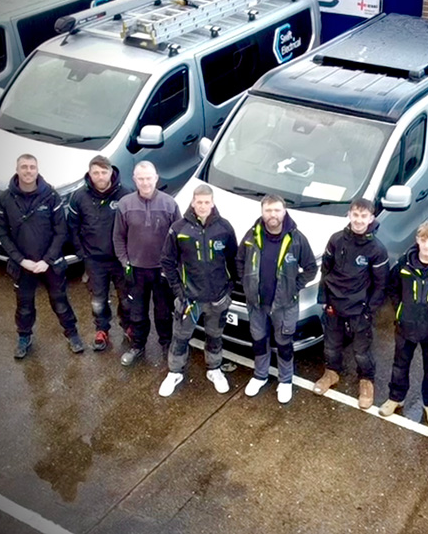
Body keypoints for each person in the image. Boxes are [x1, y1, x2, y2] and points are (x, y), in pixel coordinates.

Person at [0, 154, 84, 358]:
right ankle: (24, 337)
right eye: (24, 167)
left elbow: (61, 231)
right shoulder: (5, 199)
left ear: (37, 169)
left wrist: (47, 260)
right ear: (17, 169)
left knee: (60, 302)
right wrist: (21, 260)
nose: (28, 171)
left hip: (50, 264)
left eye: (32, 167)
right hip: (22, 265)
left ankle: (72, 335)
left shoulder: (51, 196)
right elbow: (2, 233)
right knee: (24, 306)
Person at [237, 194, 317, 404]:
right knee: (259, 340)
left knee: (284, 342)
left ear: (283, 211)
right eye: (268, 210)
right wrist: (246, 285)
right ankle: (260, 375)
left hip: (284, 305)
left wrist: (294, 287)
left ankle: (285, 381)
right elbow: (239, 261)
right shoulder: (251, 236)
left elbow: (310, 268)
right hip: (257, 304)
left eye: (276, 210)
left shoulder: (296, 238)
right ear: (262, 212)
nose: (272, 215)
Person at [158, 185, 237, 397]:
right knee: (181, 336)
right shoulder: (179, 229)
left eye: (207, 202)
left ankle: (214, 369)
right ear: (193, 202)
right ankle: (175, 372)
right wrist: (179, 291)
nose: (203, 206)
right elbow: (167, 261)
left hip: (217, 299)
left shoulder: (224, 228)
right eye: (199, 202)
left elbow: (234, 261)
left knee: (215, 336)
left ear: (212, 203)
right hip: (189, 300)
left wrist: (229, 289)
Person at [380, 221, 428, 428]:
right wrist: (400, 311)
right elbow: (392, 287)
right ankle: (395, 398)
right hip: (406, 327)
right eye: (423, 240)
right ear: (417, 240)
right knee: (399, 365)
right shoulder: (404, 264)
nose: (426, 245)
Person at [313, 199, 389, 409]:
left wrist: (369, 310)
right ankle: (331, 373)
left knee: (361, 351)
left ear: (371, 218)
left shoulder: (377, 249)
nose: (358, 220)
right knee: (331, 346)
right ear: (349, 215)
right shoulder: (336, 240)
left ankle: (366, 381)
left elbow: (381, 284)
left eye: (363, 216)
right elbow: (325, 271)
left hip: (359, 309)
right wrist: (324, 300)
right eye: (355, 215)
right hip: (334, 305)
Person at [113, 161, 180, 366]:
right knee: (137, 312)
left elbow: (178, 239)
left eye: (149, 178)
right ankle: (137, 346)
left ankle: (166, 345)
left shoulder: (170, 204)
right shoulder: (125, 204)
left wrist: (171, 266)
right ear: (134, 180)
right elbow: (118, 237)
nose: (145, 182)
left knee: (163, 313)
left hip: (161, 271)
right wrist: (125, 262)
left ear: (156, 178)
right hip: (136, 270)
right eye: (140, 178)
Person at [67, 155, 132, 351]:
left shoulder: (125, 195)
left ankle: (128, 326)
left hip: (120, 259)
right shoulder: (79, 197)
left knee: (127, 298)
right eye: (96, 172)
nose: (100, 176)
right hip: (94, 260)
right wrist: (81, 253)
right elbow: (72, 227)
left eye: (104, 172)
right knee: (98, 301)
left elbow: (133, 227)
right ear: (90, 174)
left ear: (111, 172)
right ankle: (102, 329)